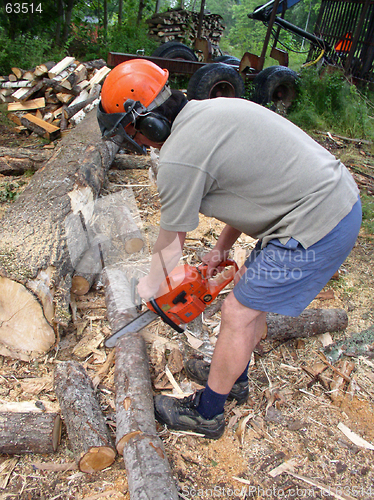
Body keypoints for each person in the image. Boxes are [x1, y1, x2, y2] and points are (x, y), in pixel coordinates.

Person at [98, 59, 361, 440]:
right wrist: (222, 247)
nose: (134, 141)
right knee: (248, 304)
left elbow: (171, 243)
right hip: (328, 204)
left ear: (146, 122)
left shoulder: (178, 157)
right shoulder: (213, 110)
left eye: (130, 131)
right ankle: (234, 377)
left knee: (238, 310)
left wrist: (152, 286)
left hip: (319, 223)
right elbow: (251, 185)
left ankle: (207, 414)